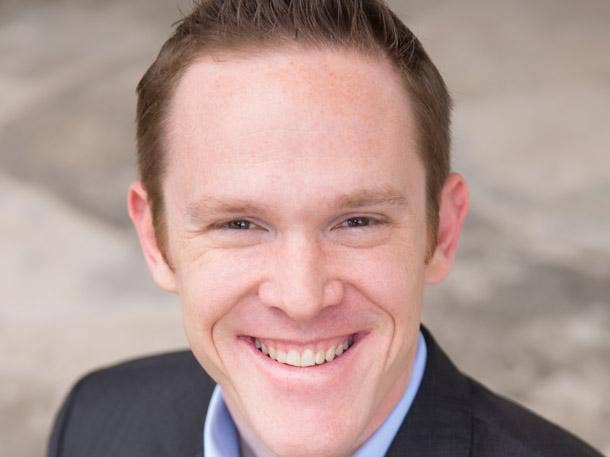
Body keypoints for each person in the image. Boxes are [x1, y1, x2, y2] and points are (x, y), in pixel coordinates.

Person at [47, 1, 603, 456]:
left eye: (357, 221)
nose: (302, 299)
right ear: (156, 240)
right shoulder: (96, 422)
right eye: (238, 223)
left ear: (443, 230)